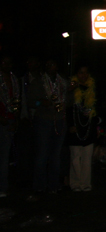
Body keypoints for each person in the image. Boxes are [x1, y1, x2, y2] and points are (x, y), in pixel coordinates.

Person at [30, 59, 68, 194]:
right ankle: (39, 186)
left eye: (53, 64)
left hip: (59, 120)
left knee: (56, 155)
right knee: (42, 154)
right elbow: (31, 102)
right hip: (43, 120)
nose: (51, 66)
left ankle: (53, 185)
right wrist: (42, 102)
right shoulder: (38, 81)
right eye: (48, 64)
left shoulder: (63, 81)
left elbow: (69, 99)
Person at [66, 65, 99, 191]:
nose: (83, 76)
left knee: (87, 158)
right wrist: (70, 125)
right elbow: (67, 108)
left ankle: (85, 184)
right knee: (75, 157)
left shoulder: (93, 88)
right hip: (75, 126)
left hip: (88, 126)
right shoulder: (71, 89)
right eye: (80, 73)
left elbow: (97, 108)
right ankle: (75, 183)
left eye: (86, 73)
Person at [0, 55, 21, 198]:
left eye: (9, 62)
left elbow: (17, 102)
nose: (7, 65)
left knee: (4, 156)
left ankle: (3, 187)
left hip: (9, 121)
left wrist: (15, 120)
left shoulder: (14, 80)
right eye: (4, 62)